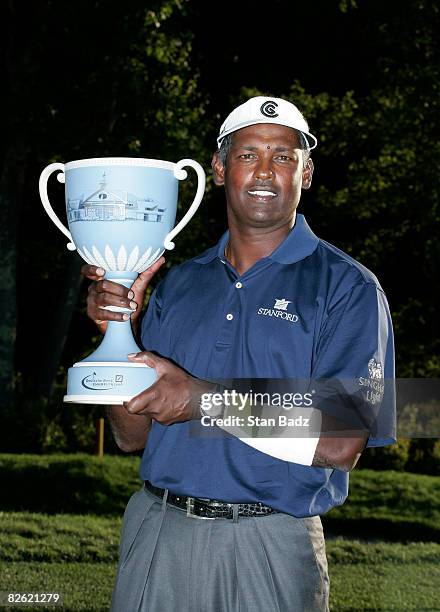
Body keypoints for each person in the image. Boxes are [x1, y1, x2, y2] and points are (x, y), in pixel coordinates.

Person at [82, 96, 396, 612]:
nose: (266, 171)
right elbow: (130, 436)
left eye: (284, 156)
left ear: (307, 172)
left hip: (269, 543)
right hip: (158, 532)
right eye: (249, 155)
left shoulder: (348, 288)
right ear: (221, 168)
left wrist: (200, 400)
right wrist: (120, 333)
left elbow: (342, 441)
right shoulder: (179, 284)